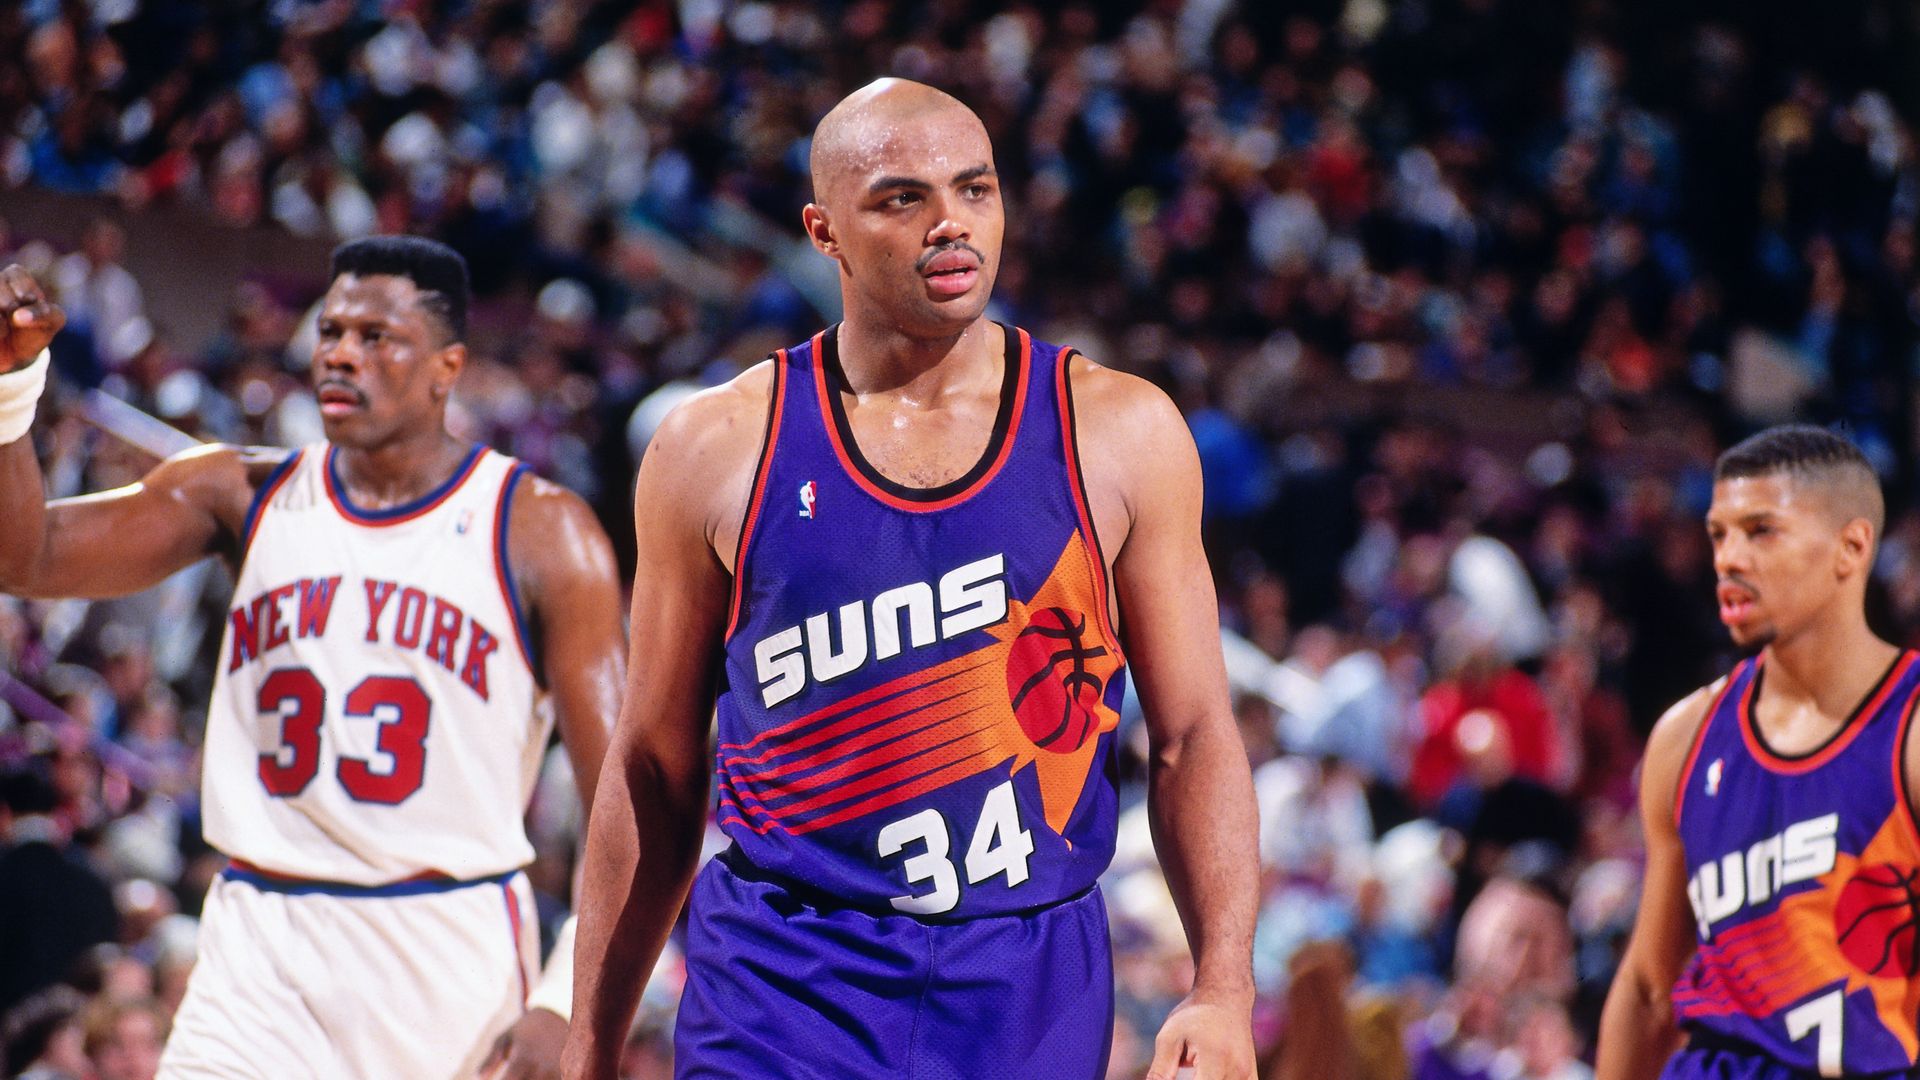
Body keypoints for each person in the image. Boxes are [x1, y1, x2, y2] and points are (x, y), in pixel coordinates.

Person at [564, 79, 1259, 1080]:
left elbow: (1194, 735)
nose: (950, 224)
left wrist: (1223, 986)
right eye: (902, 199)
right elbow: (657, 770)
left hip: (1026, 985)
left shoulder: (1120, 431)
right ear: (824, 231)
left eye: (975, 191)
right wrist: (590, 1046)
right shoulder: (713, 448)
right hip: (781, 984)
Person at [0, 236, 626, 1080]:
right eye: (330, 330)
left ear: (448, 367)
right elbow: (27, 558)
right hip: (259, 936)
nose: (339, 353)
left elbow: (625, 802)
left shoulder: (541, 531)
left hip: (443, 948)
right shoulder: (234, 491)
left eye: (377, 337)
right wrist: (10, 392)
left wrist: (565, 1003)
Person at [1597, 426, 1920, 1078]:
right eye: (1719, 534)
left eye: (1761, 531)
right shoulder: (1685, 736)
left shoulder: (1909, 728)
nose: (1729, 559)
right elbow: (1647, 989)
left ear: (1851, 547)